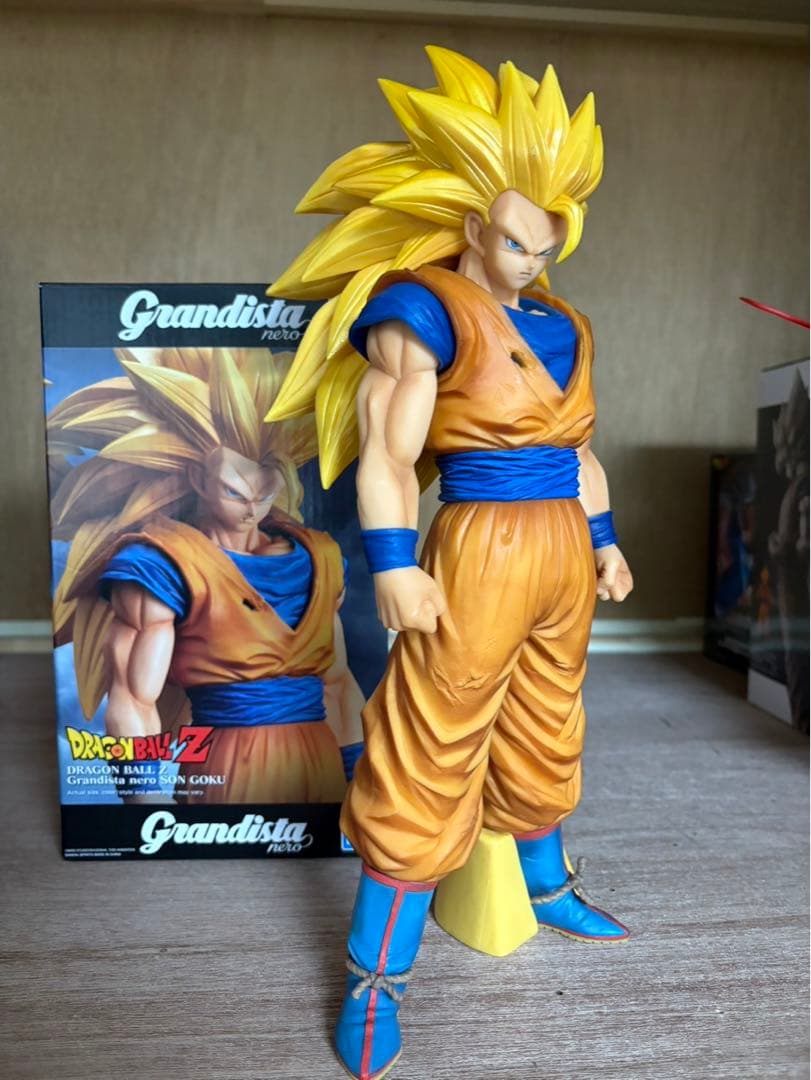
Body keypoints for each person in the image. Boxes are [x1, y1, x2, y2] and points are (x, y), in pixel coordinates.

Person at [268, 47, 634, 1080]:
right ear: (473, 224)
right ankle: (375, 975)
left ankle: (545, 883)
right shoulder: (420, 310)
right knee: (431, 744)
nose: (531, 260)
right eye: (516, 241)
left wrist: (604, 541)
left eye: (548, 242)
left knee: (548, 718)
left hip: (561, 547)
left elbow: (580, 451)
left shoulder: (563, 322)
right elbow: (388, 456)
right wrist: (392, 562)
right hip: (478, 545)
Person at [49, 346, 365, 805]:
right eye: (234, 492)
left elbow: (338, 687)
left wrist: (358, 788)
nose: (252, 509)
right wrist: (143, 803)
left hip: (320, 771)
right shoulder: (160, 566)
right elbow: (133, 701)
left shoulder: (320, 557)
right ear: (198, 479)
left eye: (264, 492)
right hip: (225, 776)